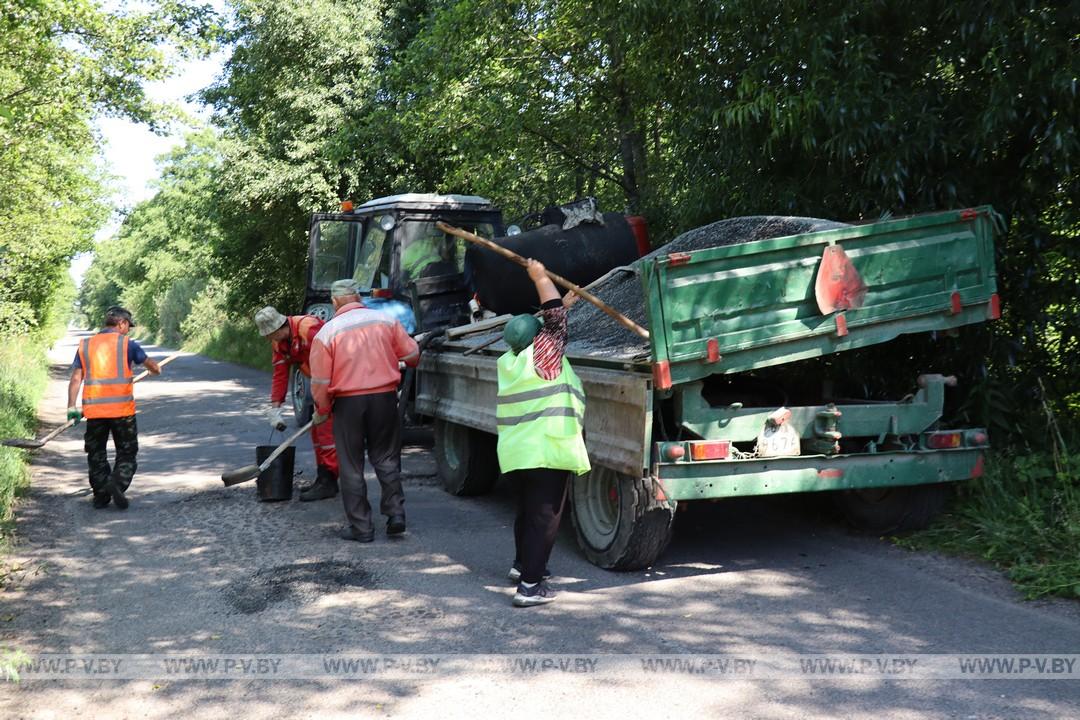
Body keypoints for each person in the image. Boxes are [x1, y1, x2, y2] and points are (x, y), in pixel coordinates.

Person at [496, 259, 589, 607]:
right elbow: (553, 321)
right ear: (540, 340)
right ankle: (531, 587)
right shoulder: (545, 355)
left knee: (527, 512)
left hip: (518, 452)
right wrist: (540, 278)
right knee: (545, 519)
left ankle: (522, 567)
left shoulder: (512, 359)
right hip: (547, 449)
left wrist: (562, 301)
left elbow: (548, 321)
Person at [309, 279, 420, 542]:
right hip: (384, 398)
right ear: (357, 297)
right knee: (386, 457)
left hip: (348, 404)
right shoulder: (385, 321)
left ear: (335, 302)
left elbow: (321, 381)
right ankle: (395, 514)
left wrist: (322, 409)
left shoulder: (327, 333)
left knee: (351, 465)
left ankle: (362, 528)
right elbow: (413, 354)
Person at [66, 306, 161, 509]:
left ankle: (101, 496)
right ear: (121, 323)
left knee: (96, 453)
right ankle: (116, 483)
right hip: (122, 413)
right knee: (127, 452)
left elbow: (76, 378)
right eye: (128, 326)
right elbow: (152, 366)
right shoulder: (127, 344)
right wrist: (156, 369)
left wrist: (71, 408)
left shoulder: (86, 345)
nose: (128, 331)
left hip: (94, 412)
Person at [254, 306, 339, 501]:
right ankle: (324, 478)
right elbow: (280, 374)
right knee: (318, 431)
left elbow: (334, 358)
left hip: (335, 381)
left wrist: (331, 396)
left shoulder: (309, 329)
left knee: (326, 432)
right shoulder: (280, 342)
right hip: (320, 385)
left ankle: (330, 481)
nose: (267, 339)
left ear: (278, 327)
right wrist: (275, 408)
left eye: (268, 334)